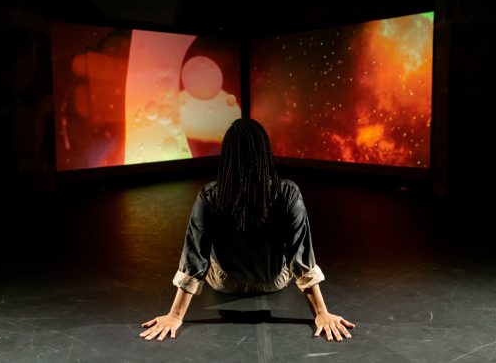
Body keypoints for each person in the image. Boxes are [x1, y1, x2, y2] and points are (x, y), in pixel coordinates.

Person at [140, 118, 355, 342]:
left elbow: (195, 257)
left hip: (226, 283)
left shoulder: (210, 196)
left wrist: (175, 315)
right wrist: (321, 312)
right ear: (265, 152)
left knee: (206, 242)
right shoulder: (288, 192)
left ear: (227, 155)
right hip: (274, 281)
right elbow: (300, 254)